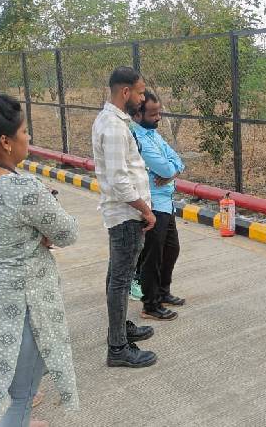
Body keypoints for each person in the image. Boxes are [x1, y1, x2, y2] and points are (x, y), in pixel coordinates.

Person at [0, 94, 79, 426]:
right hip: (18, 307)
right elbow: (67, 233)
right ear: (6, 142)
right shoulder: (24, 189)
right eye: (25, 132)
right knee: (21, 394)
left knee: (3, 386)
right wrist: (41, 232)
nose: (29, 139)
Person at [91, 66, 158, 368]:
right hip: (127, 214)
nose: (143, 99)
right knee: (120, 280)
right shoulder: (116, 127)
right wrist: (144, 209)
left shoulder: (111, 120)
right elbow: (119, 180)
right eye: (141, 92)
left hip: (123, 213)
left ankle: (120, 330)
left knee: (117, 276)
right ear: (125, 92)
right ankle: (118, 347)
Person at [130, 90, 186, 321]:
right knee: (153, 256)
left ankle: (163, 293)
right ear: (137, 115)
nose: (158, 117)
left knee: (171, 250)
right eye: (153, 114)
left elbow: (176, 161)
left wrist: (172, 172)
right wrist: (171, 170)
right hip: (153, 204)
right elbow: (163, 168)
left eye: (158, 112)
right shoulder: (139, 139)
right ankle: (150, 304)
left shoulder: (153, 135)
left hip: (166, 201)